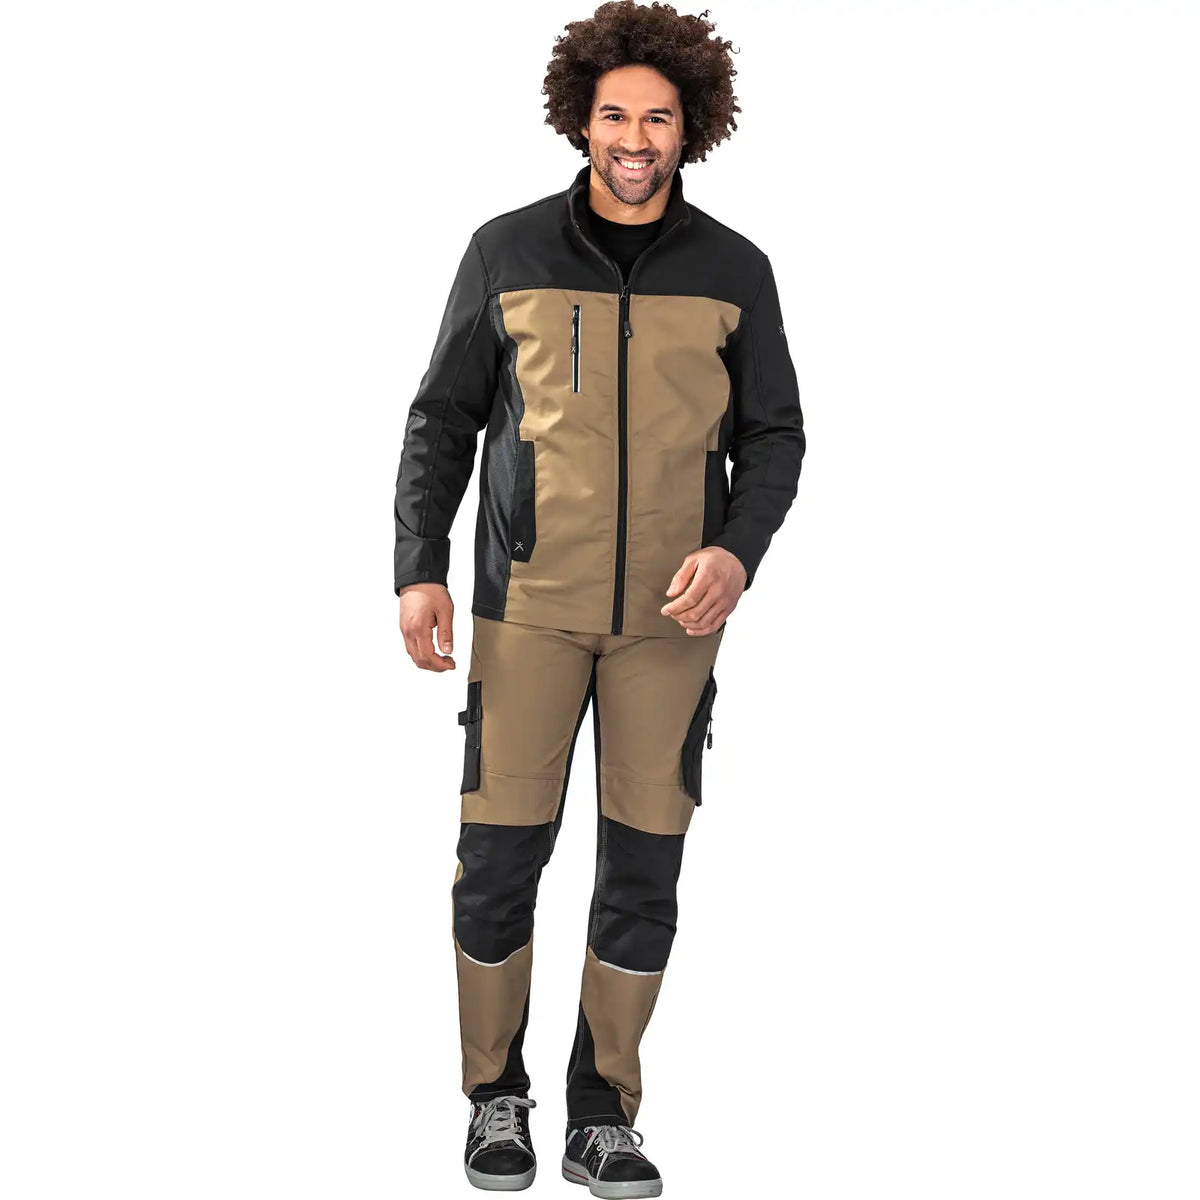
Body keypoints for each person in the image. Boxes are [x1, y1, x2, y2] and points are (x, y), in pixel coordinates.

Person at [392, 3, 805, 1194]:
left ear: (692, 127)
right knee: (497, 860)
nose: (635, 138)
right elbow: (443, 418)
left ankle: (601, 1111)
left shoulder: (735, 271)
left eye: (658, 118)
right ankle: (495, 1097)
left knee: (643, 868)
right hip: (525, 609)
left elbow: (776, 435)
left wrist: (735, 553)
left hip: (673, 626)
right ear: (580, 120)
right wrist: (420, 563)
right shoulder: (506, 251)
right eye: (615, 114)